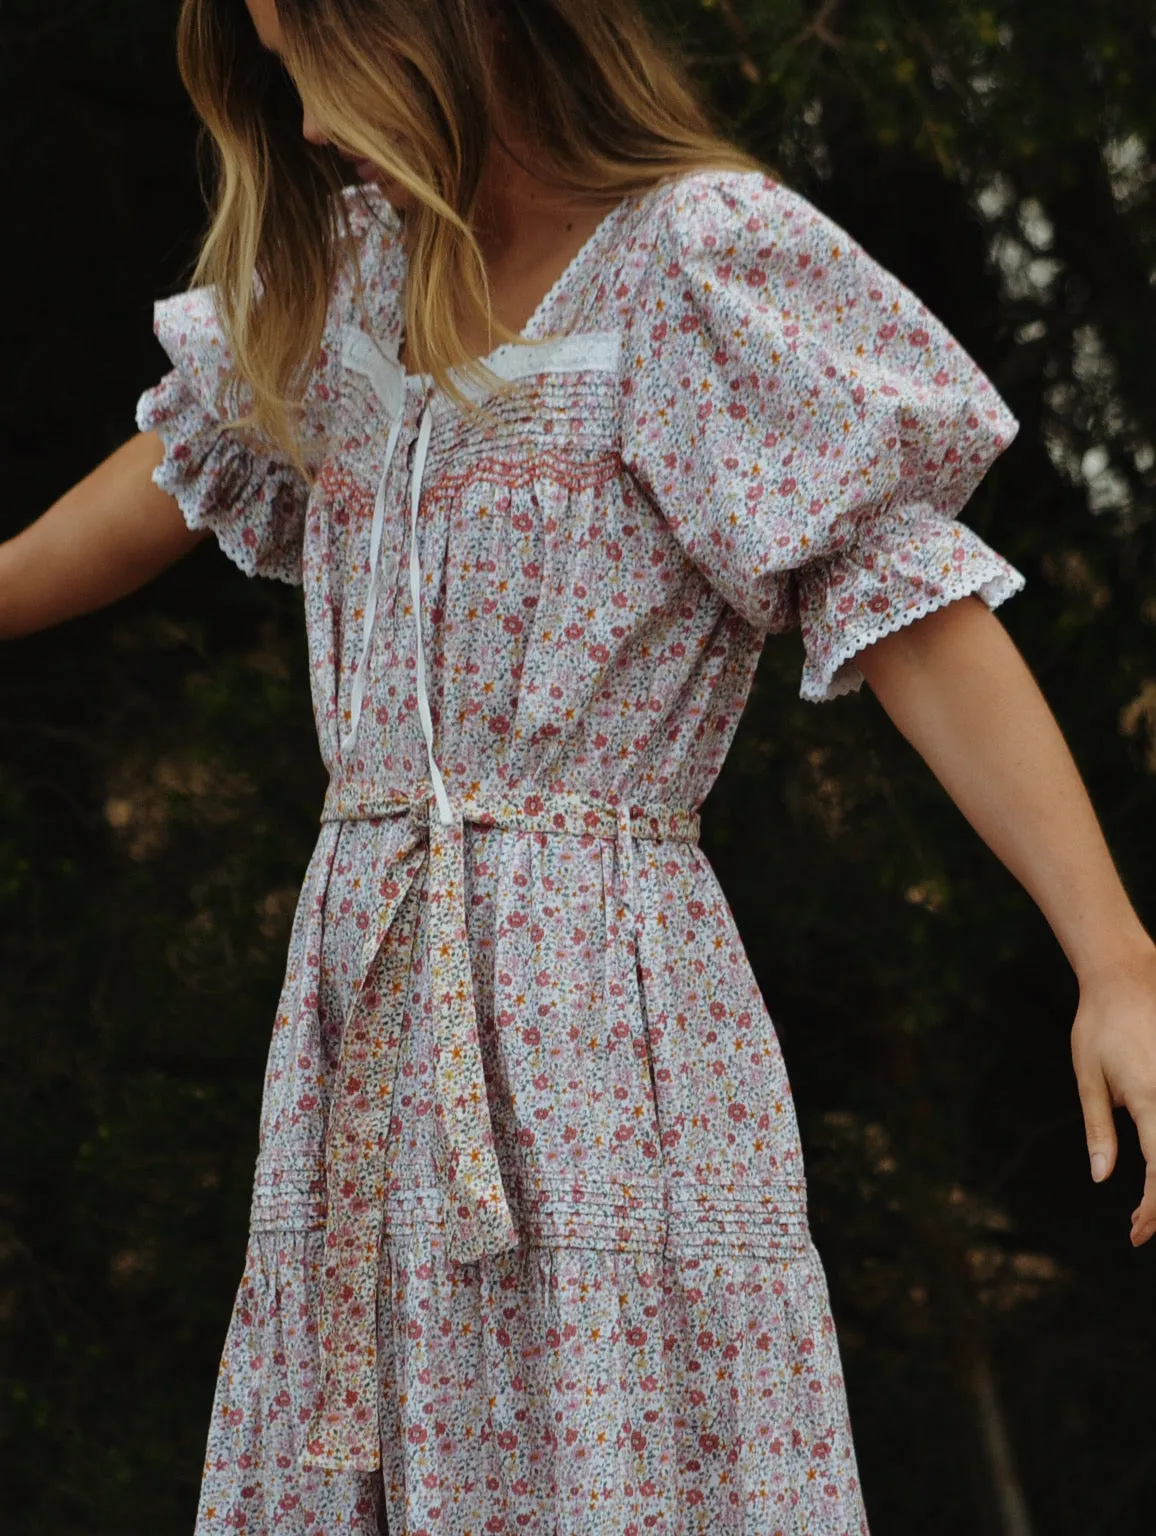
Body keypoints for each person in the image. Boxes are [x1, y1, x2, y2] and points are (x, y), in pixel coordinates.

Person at [3, 0, 1155, 1531]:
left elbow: (906, 604)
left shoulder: (693, 263)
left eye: (319, 67)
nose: (313, 122)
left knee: (616, 1446)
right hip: (364, 996)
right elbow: (163, 480)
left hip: (606, 1015)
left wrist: (1116, 958)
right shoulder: (346, 280)